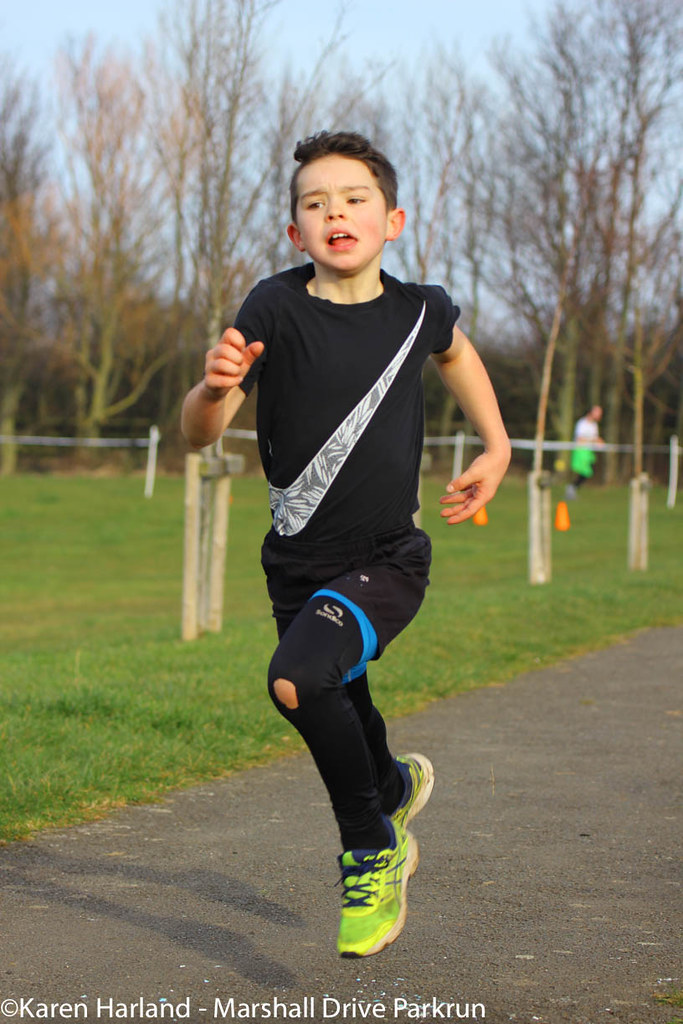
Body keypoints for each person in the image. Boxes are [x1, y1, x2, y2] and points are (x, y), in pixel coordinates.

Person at [181, 131, 511, 958]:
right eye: (314, 202)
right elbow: (197, 434)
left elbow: (457, 353)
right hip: (295, 562)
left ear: (391, 219)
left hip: (387, 558)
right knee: (340, 694)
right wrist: (213, 389)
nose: (335, 211)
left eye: (353, 198)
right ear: (296, 233)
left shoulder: (418, 309)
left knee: (297, 679)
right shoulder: (272, 306)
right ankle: (393, 785)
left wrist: (497, 447)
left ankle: (370, 847)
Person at [566, 405, 604, 499]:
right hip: (580, 451)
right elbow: (580, 438)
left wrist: (599, 441)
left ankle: (572, 488)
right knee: (582, 472)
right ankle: (571, 488)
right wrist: (593, 440)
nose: (599, 415)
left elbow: (595, 438)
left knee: (588, 472)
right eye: (598, 412)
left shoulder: (594, 425)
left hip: (588, 452)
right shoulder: (582, 423)